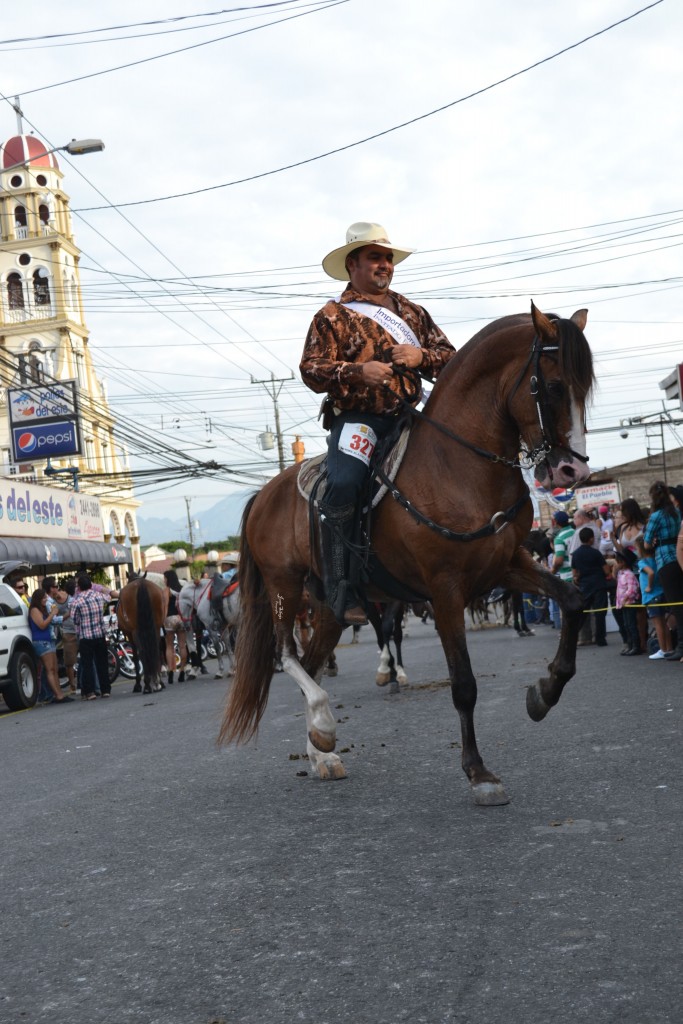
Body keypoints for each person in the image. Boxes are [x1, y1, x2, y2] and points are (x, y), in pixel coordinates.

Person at [300, 222, 456, 625]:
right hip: (359, 419)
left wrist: (422, 358)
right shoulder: (331, 315)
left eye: (387, 258)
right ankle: (341, 586)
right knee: (346, 482)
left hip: (411, 415)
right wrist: (356, 372)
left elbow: (451, 358)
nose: (384, 265)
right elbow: (311, 370)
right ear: (353, 264)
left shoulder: (412, 312)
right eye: (375, 257)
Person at [643, 480, 683, 662]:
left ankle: (681, 646)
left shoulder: (656, 516)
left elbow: (646, 543)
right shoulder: (676, 512)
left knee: (676, 605)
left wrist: (654, 541)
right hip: (679, 557)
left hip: (665, 560)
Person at [28, 588, 73, 704]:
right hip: (41, 641)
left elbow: (52, 622)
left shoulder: (43, 609)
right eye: (43, 598)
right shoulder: (34, 610)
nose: (45, 599)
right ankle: (58, 695)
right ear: (38, 599)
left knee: (55, 669)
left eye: (46, 597)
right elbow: (42, 625)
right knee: (50, 669)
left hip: (48, 640)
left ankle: (59, 694)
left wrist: (58, 614)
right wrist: (52, 614)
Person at [71, 572, 111, 700]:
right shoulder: (99, 596)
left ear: (79, 587)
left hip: (85, 636)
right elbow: (109, 597)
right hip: (100, 634)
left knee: (87, 664)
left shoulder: (77, 600)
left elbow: (74, 619)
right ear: (90, 585)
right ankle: (105, 690)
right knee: (102, 663)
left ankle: (90, 692)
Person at [571, 527, 612, 647]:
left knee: (583, 614)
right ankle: (600, 638)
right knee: (600, 613)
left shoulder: (576, 554)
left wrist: (579, 579)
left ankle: (573, 638)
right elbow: (606, 571)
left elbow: (574, 573)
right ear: (591, 539)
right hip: (599, 585)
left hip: (584, 586)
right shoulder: (596, 553)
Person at [633, 535, 672, 660]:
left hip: (651, 596)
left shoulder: (642, 562)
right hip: (661, 593)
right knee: (664, 624)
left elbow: (650, 572)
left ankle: (662, 649)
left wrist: (649, 586)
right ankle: (669, 648)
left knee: (658, 624)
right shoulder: (656, 559)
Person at [614, 549, 642, 656]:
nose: (617, 564)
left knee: (631, 624)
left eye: (618, 561)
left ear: (623, 562)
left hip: (629, 603)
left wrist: (625, 598)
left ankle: (636, 646)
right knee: (626, 624)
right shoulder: (621, 574)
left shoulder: (629, 574)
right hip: (623, 604)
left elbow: (632, 589)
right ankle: (630, 645)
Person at [53, 578, 79, 693]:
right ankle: (72, 685)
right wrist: (66, 615)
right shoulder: (52, 602)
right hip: (67, 632)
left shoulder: (72, 597)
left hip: (80, 629)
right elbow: (55, 618)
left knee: (85, 658)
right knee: (69, 661)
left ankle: (83, 682)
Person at [163, 569, 188, 684]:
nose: (164, 580)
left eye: (164, 578)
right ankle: (182, 670)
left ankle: (171, 671)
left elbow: (166, 605)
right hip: (181, 618)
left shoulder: (167, 590)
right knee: (182, 646)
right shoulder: (182, 590)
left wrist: (163, 619)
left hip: (170, 619)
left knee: (169, 646)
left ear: (168, 579)